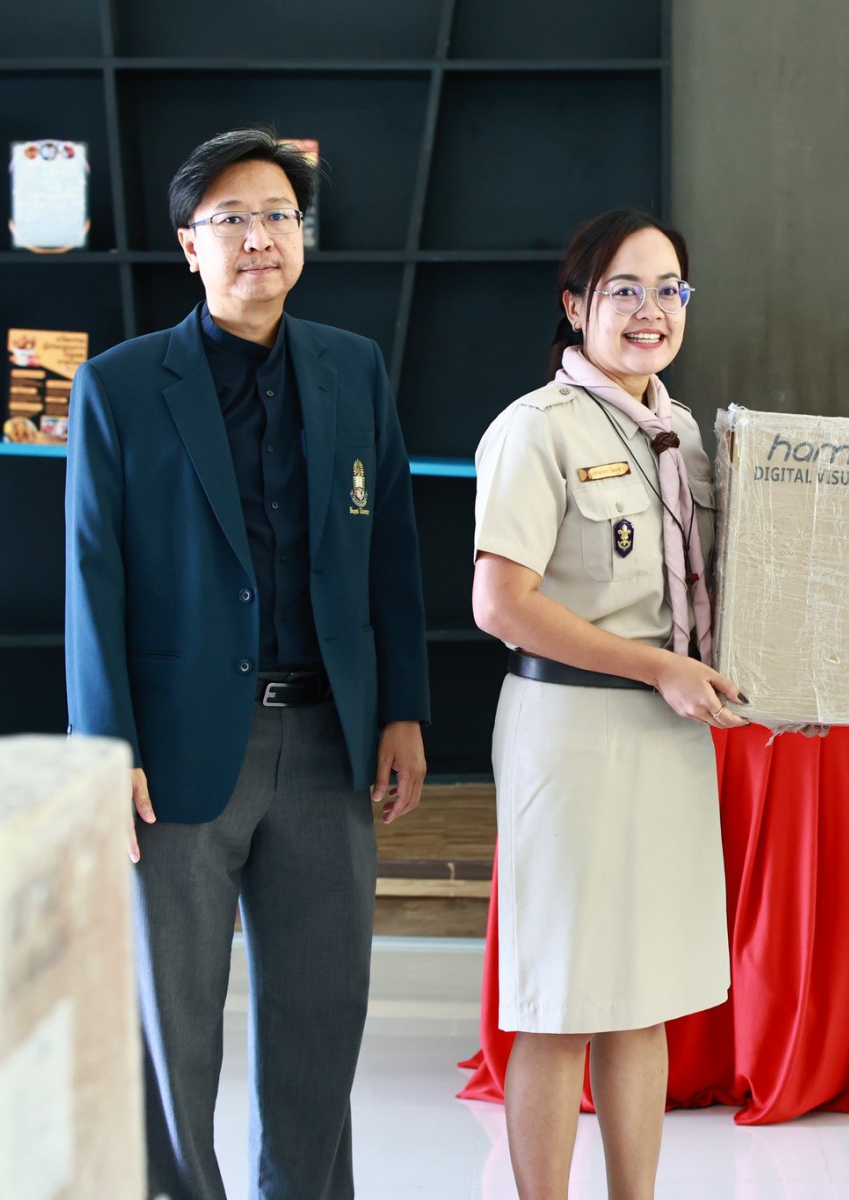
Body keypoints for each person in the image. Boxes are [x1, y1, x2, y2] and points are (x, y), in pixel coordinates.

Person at [65, 127, 430, 1199]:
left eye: (278, 216)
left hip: (327, 742)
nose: (260, 238)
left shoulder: (352, 368)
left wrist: (403, 708)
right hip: (176, 750)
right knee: (171, 1023)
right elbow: (92, 577)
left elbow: (392, 551)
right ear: (190, 244)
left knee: (322, 1013)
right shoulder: (121, 385)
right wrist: (105, 746)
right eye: (232, 219)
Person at [470, 208, 739, 1200]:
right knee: (561, 1002)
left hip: (666, 734)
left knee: (643, 996)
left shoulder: (687, 433)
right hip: (572, 733)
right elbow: (501, 602)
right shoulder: (535, 428)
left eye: (670, 289)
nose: (649, 310)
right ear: (577, 305)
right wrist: (653, 667)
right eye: (624, 289)